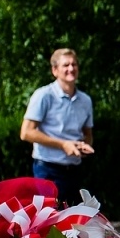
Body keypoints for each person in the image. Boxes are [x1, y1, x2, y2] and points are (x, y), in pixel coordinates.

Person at [20, 48, 95, 206]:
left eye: (74, 64)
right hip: (47, 169)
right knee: (49, 221)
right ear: (55, 70)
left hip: (74, 170)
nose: (71, 69)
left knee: (72, 224)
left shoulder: (85, 100)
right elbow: (26, 133)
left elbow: (88, 133)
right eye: (66, 65)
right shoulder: (43, 95)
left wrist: (84, 145)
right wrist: (63, 144)